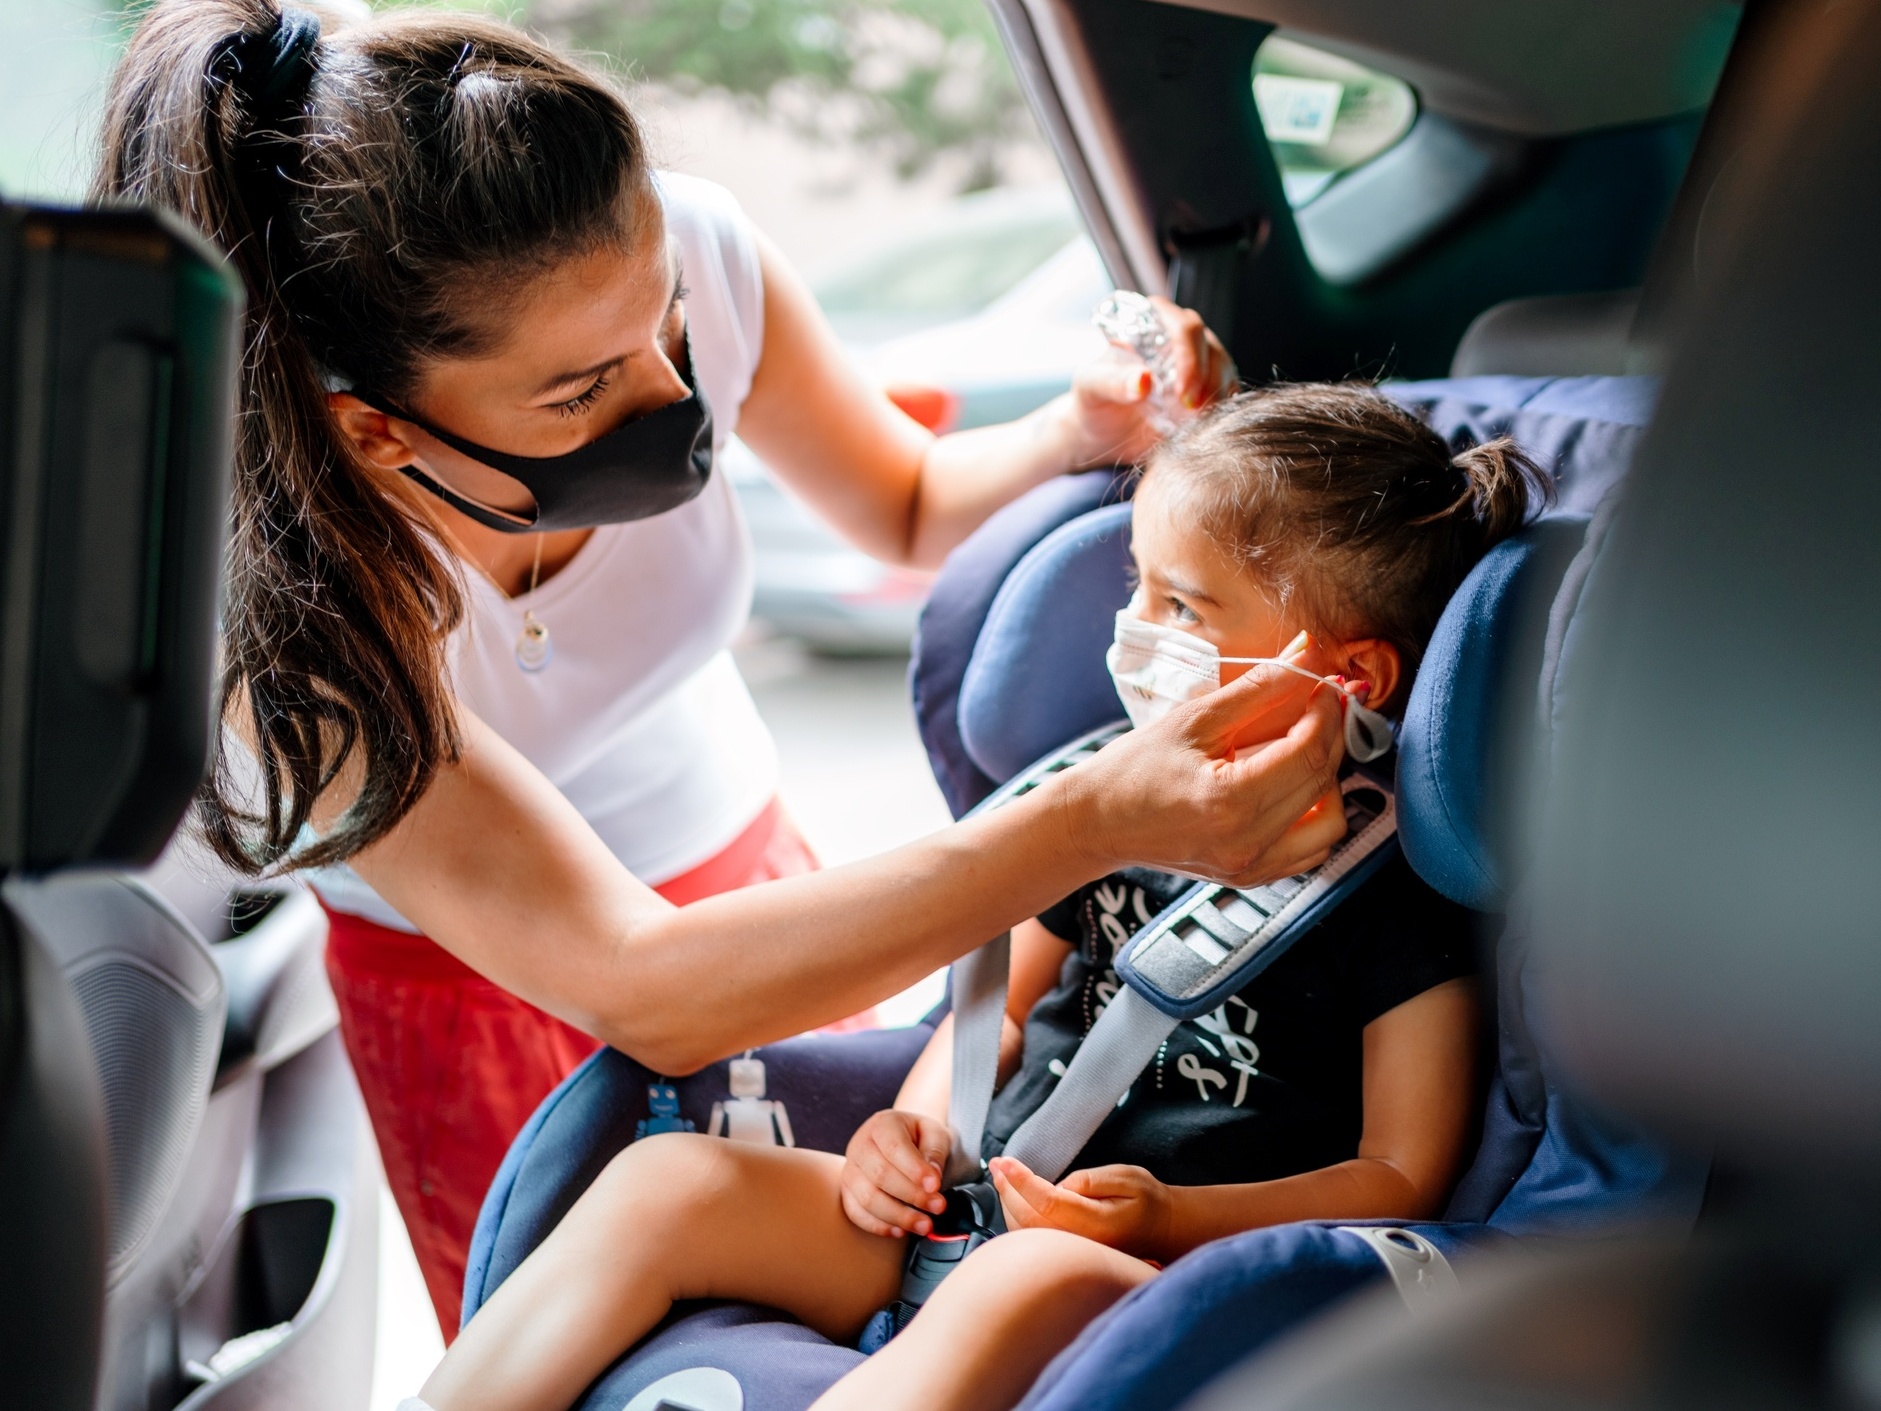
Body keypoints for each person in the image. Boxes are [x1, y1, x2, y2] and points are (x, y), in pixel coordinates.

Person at [97, 0, 1348, 1334]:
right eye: (579, 392)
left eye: (671, 325)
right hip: (491, 992)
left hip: (768, 888)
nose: (666, 391)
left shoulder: (676, 248)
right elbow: (647, 981)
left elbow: (910, 503)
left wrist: (1071, 428)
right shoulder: (290, 630)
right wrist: (1104, 812)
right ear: (375, 433)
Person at [406, 383, 1554, 1411]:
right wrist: (916, 1129)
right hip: (969, 1208)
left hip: (1154, 1276)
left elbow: (1402, 1176)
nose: (1135, 632)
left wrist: (1166, 1220)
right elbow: (994, 1016)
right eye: (1137, 588)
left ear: (1346, 679)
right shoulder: (1110, 802)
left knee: (1025, 1274)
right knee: (669, 1178)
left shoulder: (1394, 900)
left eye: (1186, 610)